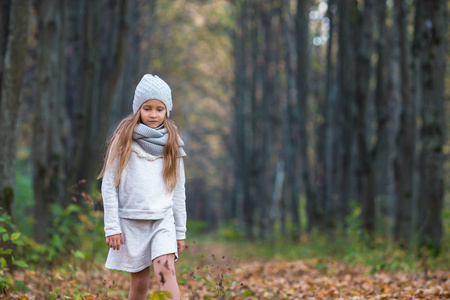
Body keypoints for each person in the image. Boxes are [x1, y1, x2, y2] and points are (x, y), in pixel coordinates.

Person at [98, 74, 187, 300]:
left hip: (162, 221)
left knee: (165, 272)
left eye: (159, 109)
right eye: (147, 108)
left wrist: (180, 231)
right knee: (139, 284)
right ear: (138, 108)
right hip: (131, 221)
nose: (153, 114)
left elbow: (178, 191)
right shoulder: (124, 138)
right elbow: (109, 185)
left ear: (167, 110)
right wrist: (112, 227)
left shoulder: (172, 142)